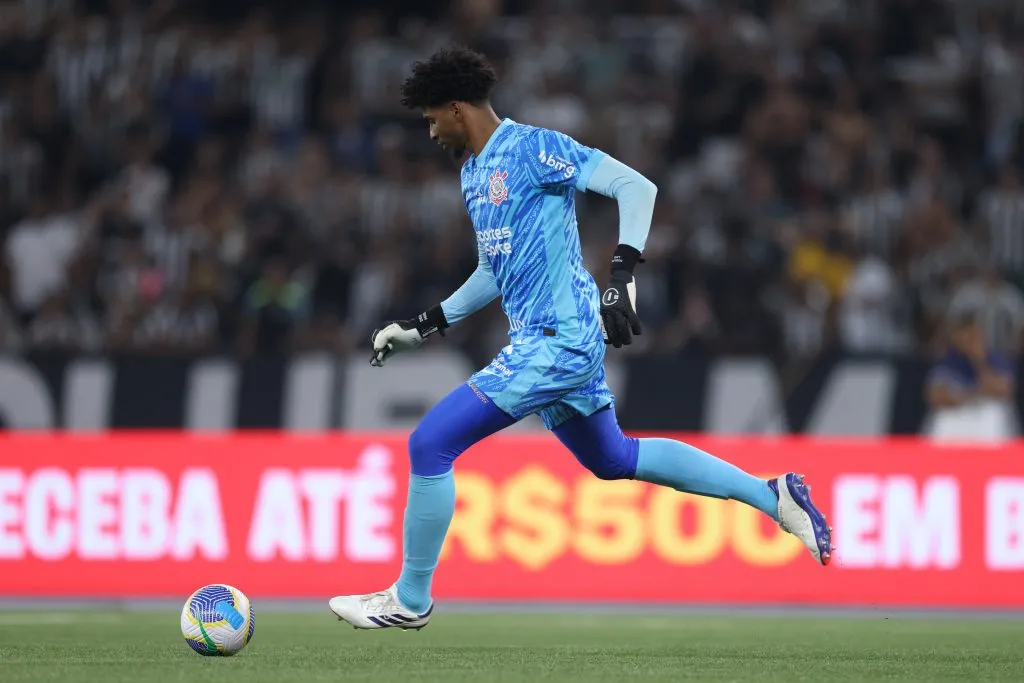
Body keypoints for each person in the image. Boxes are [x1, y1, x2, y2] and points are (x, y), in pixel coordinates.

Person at [328, 47, 833, 630]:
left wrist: (621, 276)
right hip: (549, 340)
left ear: (457, 108)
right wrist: (423, 325)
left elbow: (636, 188)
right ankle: (775, 496)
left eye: (432, 117)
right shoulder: (473, 173)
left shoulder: (533, 147)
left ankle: (410, 600)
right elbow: (495, 271)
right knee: (614, 458)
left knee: (429, 445)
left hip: (556, 341)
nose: (431, 130)